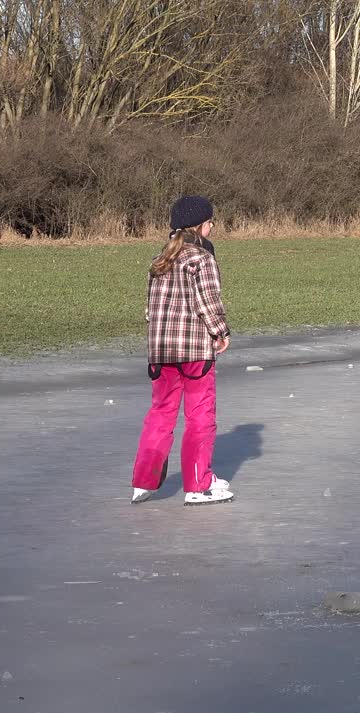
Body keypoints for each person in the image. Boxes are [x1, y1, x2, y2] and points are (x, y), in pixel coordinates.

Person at [131, 195, 235, 506]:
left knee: (160, 414)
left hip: (160, 351)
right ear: (200, 226)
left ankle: (143, 482)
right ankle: (197, 485)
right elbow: (207, 302)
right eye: (209, 221)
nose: (213, 225)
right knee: (200, 415)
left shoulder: (159, 259)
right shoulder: (202, 259)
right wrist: (221, 333)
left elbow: (150, 311)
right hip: (194, 351)